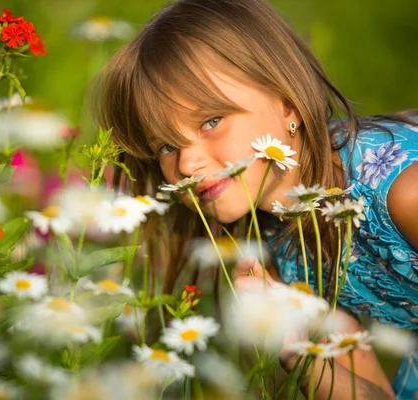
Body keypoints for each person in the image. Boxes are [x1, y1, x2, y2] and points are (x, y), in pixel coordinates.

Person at [91, 0, 418, 398]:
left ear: (287, 103)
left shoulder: (404, 192)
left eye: (211, 121)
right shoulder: (277, 247)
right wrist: (295, 348)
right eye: (165, 145)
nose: (187, 163)